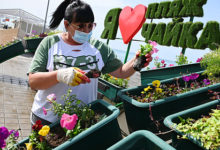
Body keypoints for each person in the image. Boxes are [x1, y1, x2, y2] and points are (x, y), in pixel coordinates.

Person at [28, 0, 152, 125]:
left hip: (82, 119)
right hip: (47, 119)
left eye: (90, 25)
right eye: (80, 26)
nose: (86, 31)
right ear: (66, 24)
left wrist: (137, 62)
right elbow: (33, 82)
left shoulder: (98, 48)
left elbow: (121, 72)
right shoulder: (50, 43)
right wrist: (58, 75)